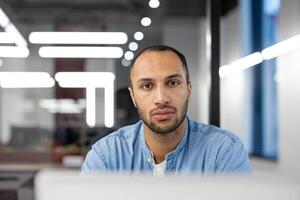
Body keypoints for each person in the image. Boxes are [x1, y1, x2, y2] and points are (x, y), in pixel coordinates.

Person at [81, 45, 251, 175]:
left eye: (173, 83)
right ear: (133, 97)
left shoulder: (224, 151)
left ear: (188, 90)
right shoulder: (106, 156)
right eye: (147, 86)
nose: (161, 98)